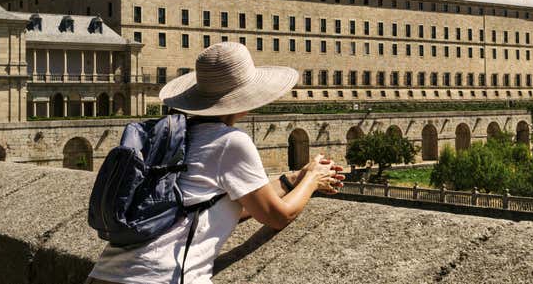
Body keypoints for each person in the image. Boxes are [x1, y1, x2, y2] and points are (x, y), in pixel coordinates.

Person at [86, 42, 344, 284]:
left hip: (103, 275)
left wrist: (290, 180)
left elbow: (221, 207)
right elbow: (278, 216)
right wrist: (313, 178)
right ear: (245, 99)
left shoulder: (179, 136)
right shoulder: (230, 142)